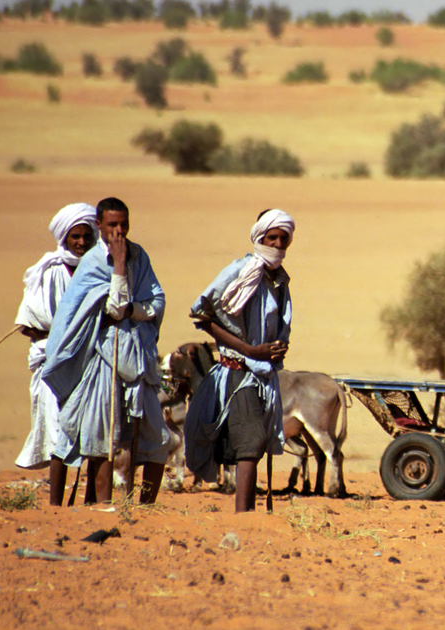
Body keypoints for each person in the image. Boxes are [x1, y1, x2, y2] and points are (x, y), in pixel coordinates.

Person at [42, 197, 170, 505]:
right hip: (101, 357)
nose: (119, 231)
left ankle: (147, 507)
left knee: (159, 437)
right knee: (100, 436)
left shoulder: (140, 255)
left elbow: (157, 302)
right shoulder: (94, 262)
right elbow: (108, 307)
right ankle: (97, 506)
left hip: (136, 357)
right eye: (112, 225)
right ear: (99, 225)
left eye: (124, 225)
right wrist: (120, 265)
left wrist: (132, 311)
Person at [185, 209, 294, 513]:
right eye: (272, 237)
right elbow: (201, 315)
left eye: (283, 239)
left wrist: (275, 349)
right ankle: (243, 518)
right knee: (252, 442)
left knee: (253, 445)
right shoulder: (241, 270)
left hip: (263, 374)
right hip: (239, 372)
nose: (277, 243)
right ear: (259, 237)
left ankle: (245, 515)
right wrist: (250, 350)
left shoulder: (280, 280)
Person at [13, 203, 98, 506]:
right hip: (53, 361)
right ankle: (54, 506)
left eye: (87, 237)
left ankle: (92, 500)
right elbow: (28, 324)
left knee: (94, 429)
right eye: (76, 236)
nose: (82, 243)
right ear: (64, 237)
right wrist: (61, 340)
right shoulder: (47, 271)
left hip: (91, 360)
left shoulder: (102, 268)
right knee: (58, 430)